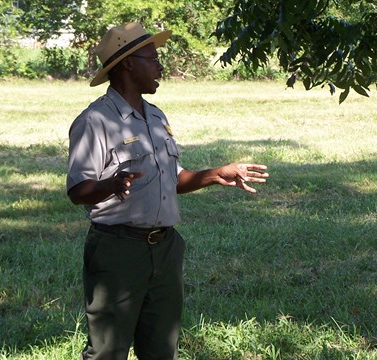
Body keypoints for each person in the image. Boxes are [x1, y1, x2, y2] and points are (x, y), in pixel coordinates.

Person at [66, 22, 269, 360]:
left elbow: (172, 178)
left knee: (162, 349)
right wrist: (110, 185)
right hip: (118, 251)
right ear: (128, 63)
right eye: (153, 58)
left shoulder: (156, 117)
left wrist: (216, 174)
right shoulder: (95, 121)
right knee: (107, 351)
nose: (161, 66)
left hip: (165, 248)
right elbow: (77, 190)